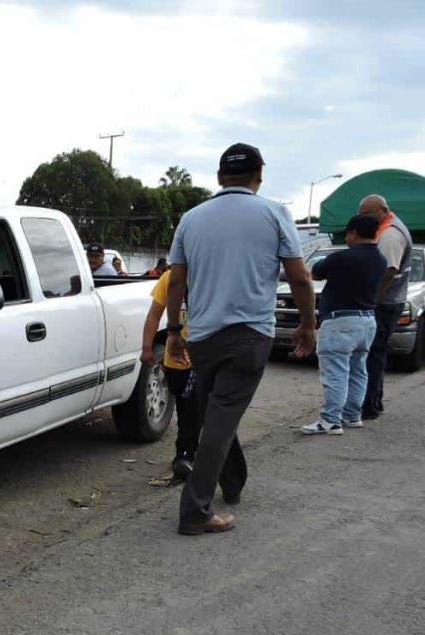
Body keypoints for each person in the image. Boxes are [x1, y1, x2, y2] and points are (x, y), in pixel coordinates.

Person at [166, 143, 316, 535]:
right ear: (258, 177)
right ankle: (195, 512)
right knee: (219, 419)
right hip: (249, 335)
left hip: (202, 336)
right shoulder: (274, 213)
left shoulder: (191, 218)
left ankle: (232, 482)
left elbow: (177, 280)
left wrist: (174, 330)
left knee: (218, 411)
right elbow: (299, 277)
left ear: (219, 177)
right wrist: (308, 324)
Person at [301, 215, 388, 435]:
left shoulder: (342, 257)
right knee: (359, 369)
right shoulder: (380, 259)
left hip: (340, 320)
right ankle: (352, 415)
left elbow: (316, 271)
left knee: (336, 372)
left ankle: (330, 420)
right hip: (368, 319)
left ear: (354, 233)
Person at [357, 194, 413, 420]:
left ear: (381, 210)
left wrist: (373, 299)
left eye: (366, 214)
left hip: (385, 303)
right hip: (388, 302)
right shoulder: (388, 227)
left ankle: (369, 404)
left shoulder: (390, 234)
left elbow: (389, 271)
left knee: (373, 354)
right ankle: (372, 401)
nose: (362, 219)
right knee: (374, 353)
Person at [141, 267, 199, 478]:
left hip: (206, 357)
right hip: (176, 360)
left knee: (198, 409)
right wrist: (147, 348)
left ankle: (186, 454)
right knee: (186, 409)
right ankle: (187, 452)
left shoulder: (214, 275)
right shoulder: (170, 278)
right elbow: (154, 314)